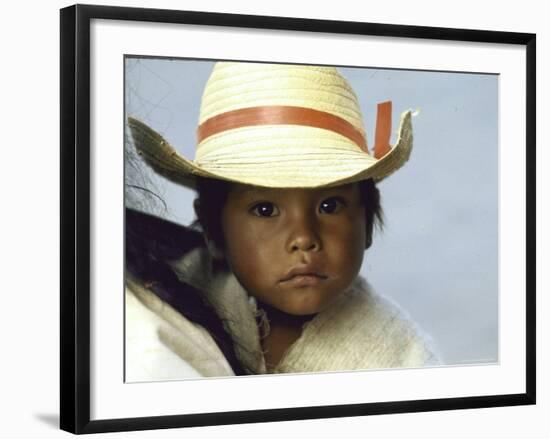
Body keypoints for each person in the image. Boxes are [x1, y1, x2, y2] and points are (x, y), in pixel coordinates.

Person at [125, 61, 439, 381]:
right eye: (265, 210)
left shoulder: (401, 358)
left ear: (367, 223)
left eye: (329, 206)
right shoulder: (170, 291)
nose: (303, 237)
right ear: (213, 232)